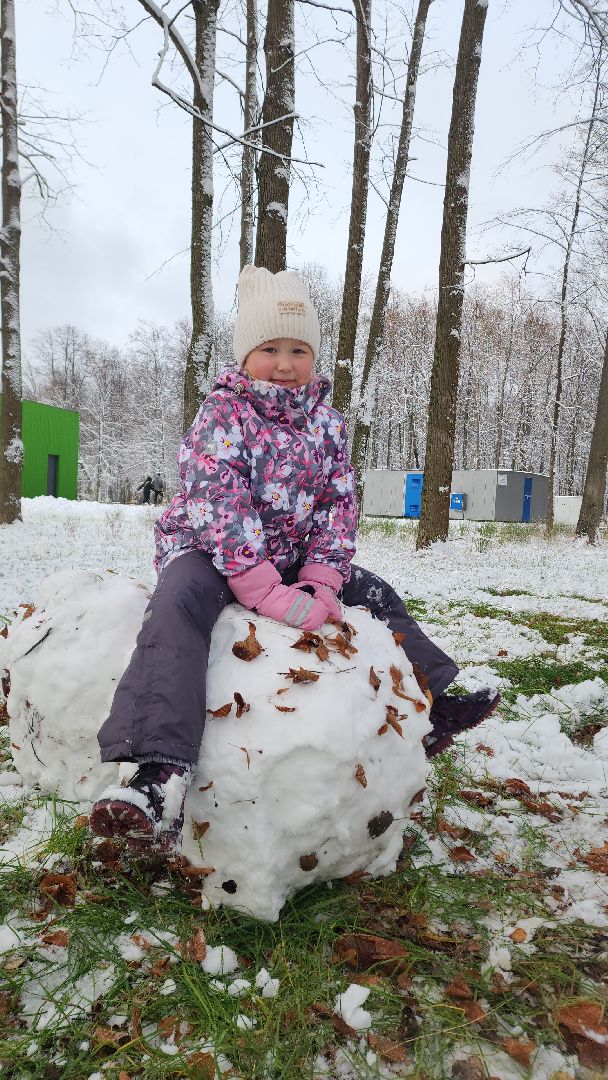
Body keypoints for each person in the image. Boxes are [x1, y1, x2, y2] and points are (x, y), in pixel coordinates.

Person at [90, 266, 499, 852]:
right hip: (209, 552)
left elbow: (339, 503)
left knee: (376, 593)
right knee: (176, 606)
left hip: (291, 560)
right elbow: (218, 503)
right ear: (244, 354)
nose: (284, 363)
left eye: (299, 350)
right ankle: (158, 773)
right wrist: (262, 589)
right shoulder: (223, 415)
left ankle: (434, 699)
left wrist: (324, 579)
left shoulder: (327, 425)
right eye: (270, 349)